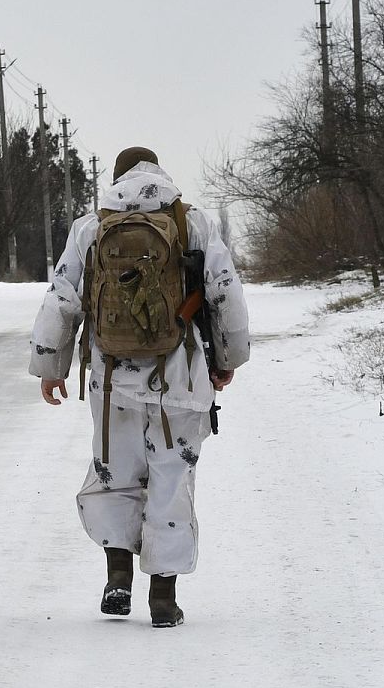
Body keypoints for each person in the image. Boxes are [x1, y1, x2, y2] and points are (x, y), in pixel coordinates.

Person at [29, 146, 250, 628]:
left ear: (116, 178)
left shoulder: (92, 227)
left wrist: (52, 367)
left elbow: (63, 295)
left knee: (115, 474)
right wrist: (229, 359)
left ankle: (118, 578)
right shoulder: (192, 223)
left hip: (112, 378)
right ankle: (164, 599)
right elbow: (224, 290)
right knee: (171, 478)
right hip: (180, 377)